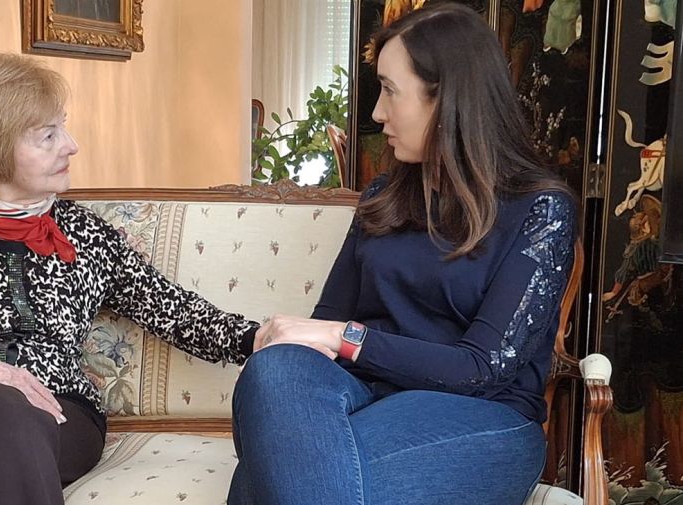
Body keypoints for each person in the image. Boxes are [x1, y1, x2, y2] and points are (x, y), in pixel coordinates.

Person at [0, 53, 258, 505]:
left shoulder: (86, 235)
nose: (71, 145)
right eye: (48, 135)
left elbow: (174, 311)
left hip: (61, 415)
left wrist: (263, 338)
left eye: (62, 127)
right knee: (0, 406)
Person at [227, 4, 577, 505]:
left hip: (477, 415)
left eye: (390, 90)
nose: (375, 112)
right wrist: (300, 354)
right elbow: (327, 322)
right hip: (358, 396)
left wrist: (346, 339)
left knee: (270, 477)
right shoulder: (383, 196)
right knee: (275, 371)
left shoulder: (540, 210)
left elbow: (482, 368)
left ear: (448, 98)